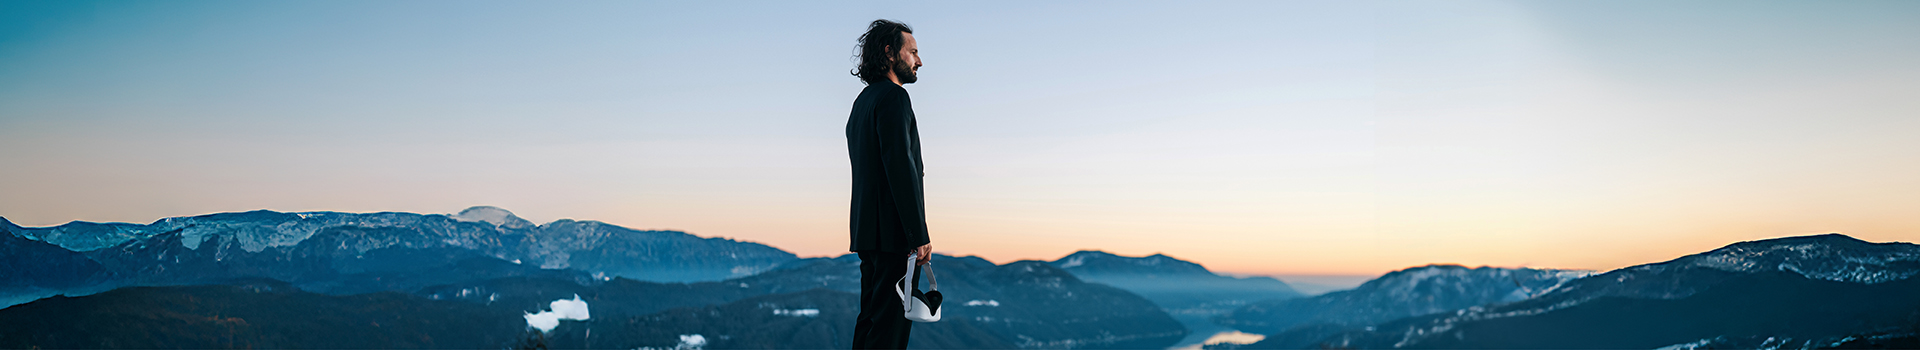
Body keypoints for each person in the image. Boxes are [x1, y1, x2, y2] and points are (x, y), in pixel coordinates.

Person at [844, 19, 931, 350]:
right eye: (913, 52)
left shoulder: (862, 103)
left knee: (870, 319)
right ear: (890, 52)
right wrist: (917, 234)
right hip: (894, 234)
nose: (918, 61)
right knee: (891, 329)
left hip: (867, 231)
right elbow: (901, 167)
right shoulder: (895, 98)